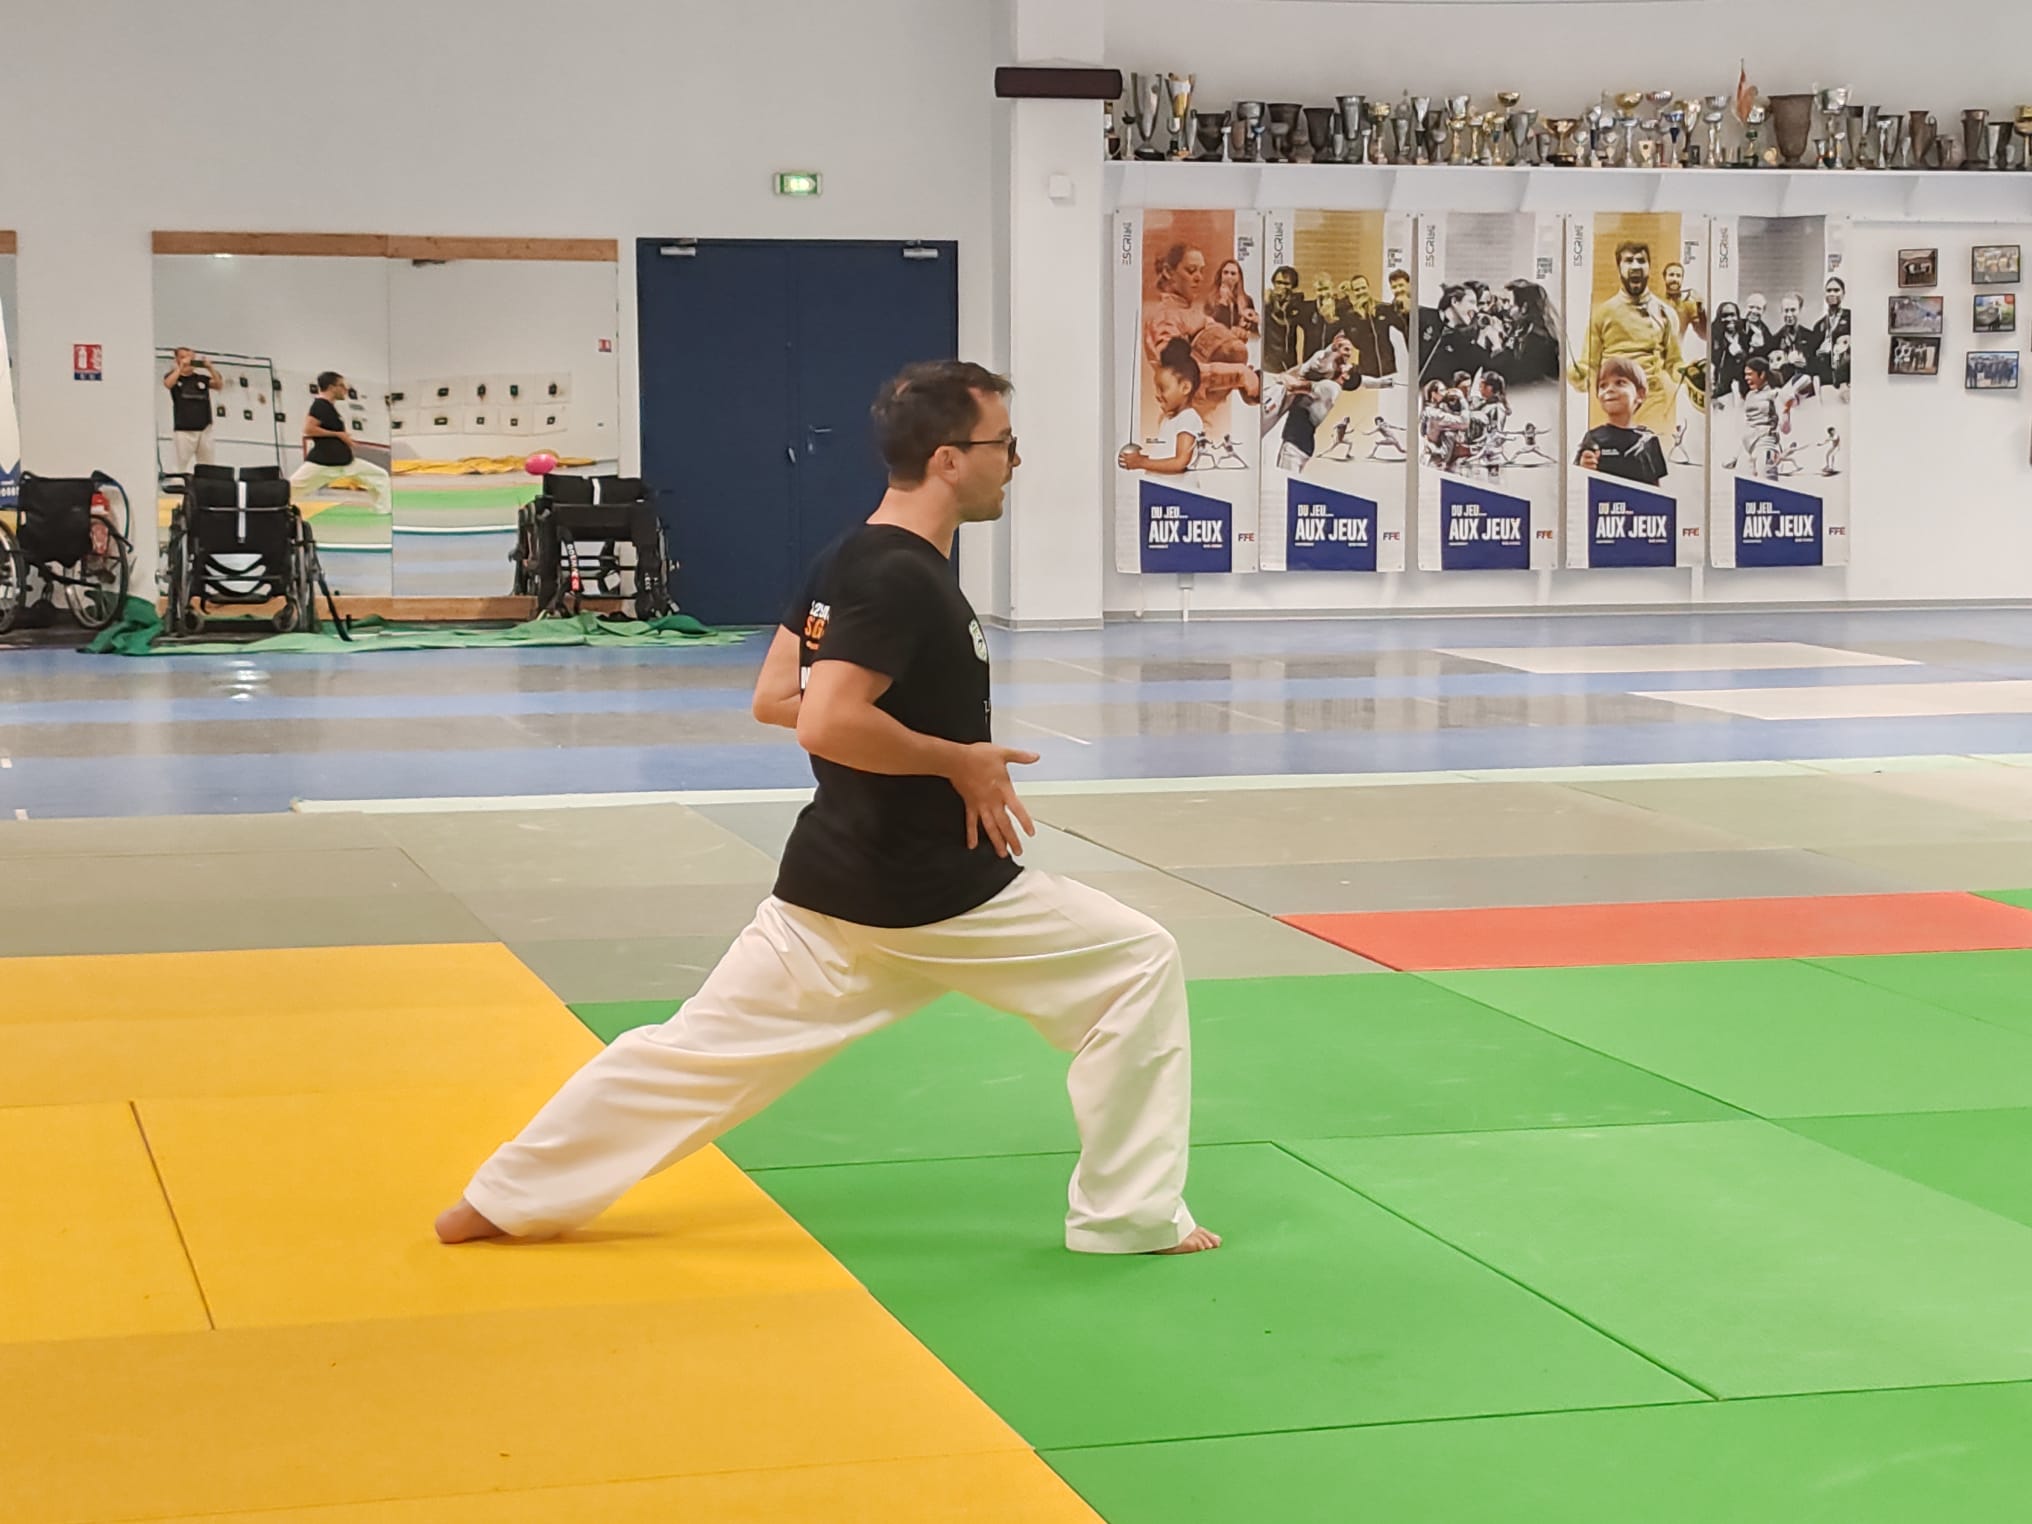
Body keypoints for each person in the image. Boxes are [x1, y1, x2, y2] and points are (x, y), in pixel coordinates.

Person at [437, 361, 1218, 1256]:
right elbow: (825, 720)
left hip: (834, 885)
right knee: (1138, 964)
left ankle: (504, 1197)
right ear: (949, 458)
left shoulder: (848, 556)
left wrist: (909, 739)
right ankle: (1127, 1217)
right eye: (1003, 444)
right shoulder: (900, 578)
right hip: (933, 891)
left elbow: (775, 695)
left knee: (696, 1054)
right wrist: (956, 759)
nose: (1014, 462)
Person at [1581, 241, 1682, 432]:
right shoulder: (1603, 313)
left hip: (1653, 404)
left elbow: (1674, 362)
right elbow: (1589, 365)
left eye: (1641, 261)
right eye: (1628, 260)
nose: (1635, 266)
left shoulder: (1666, 313)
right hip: (1613, 404)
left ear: (1649, 267)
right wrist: (1579, 375)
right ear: (1619, 268)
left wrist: (1689, 373)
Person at [291, 372, 392, 515]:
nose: (346, 389)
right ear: (332, 387)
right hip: (324, 463)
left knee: (380, 476)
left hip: (345, 462)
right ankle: (271, 507)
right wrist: (338, 434)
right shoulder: (320, 405)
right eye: (342, 385)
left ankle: (382, 510)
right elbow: (309, 429)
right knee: (292, 489)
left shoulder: (329, 407)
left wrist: (345, 440)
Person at [1575, 355, 1668, 485]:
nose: (1609, 389)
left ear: (1640, 394)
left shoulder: (1649, 440)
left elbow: (1655, 486)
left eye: (1620, 383)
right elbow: (1579, 481)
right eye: (1603, 385)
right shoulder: (1593, 437)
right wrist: (1584, 466)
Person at [162, 348, 223, 473]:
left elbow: (219, 385)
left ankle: (206, 484)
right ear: (177, 359)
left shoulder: (201, 379)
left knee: (207, 465)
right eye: (184, 357)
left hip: (204, 429)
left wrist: (210, 368)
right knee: (179, 465)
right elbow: (168, 384)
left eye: (191, 358)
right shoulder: (174, 377)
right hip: (184, 430)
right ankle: (178, 484)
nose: (189, 361)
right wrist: (180, 368)